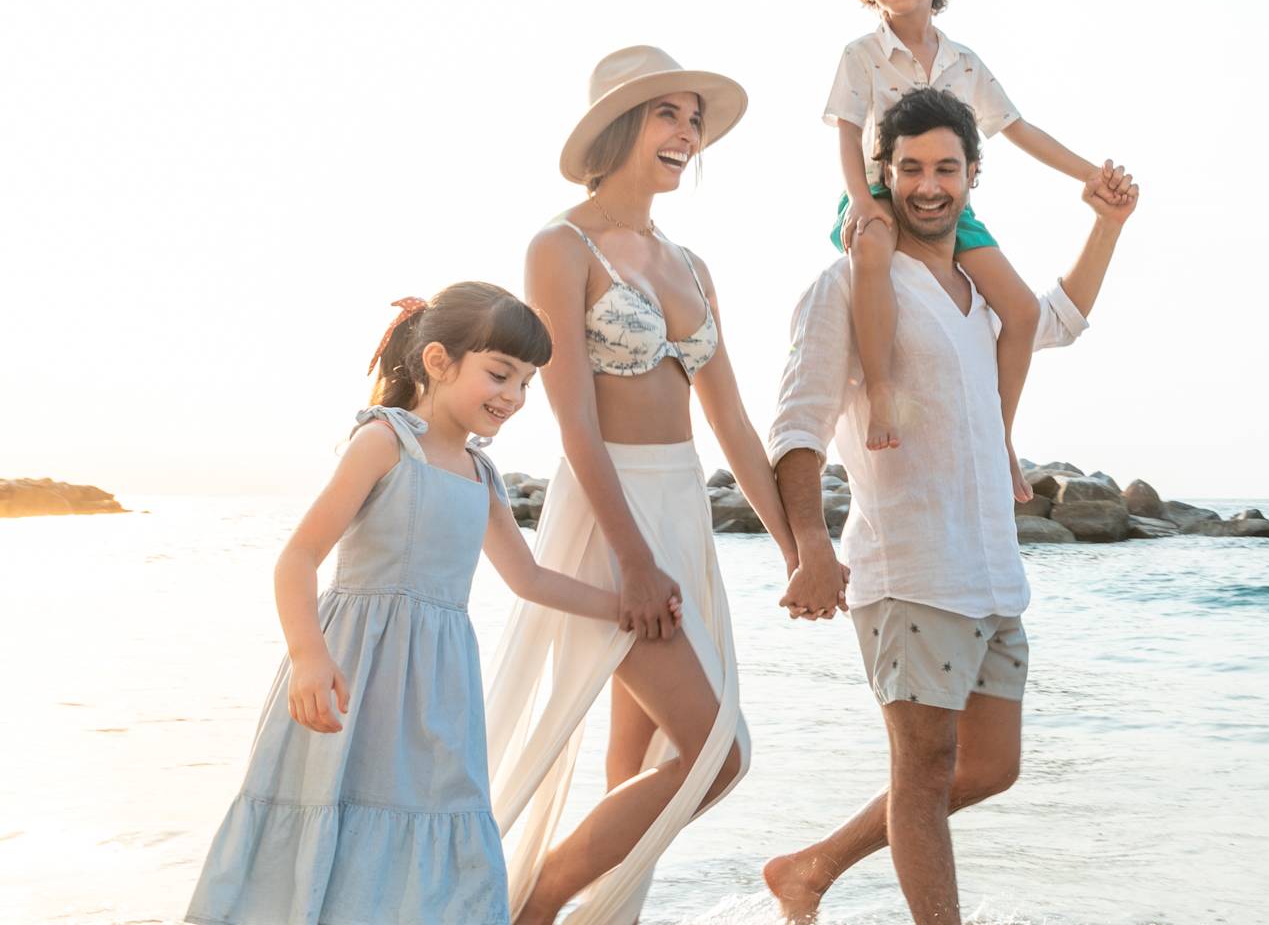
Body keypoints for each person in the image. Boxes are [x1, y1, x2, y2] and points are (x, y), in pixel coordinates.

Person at [765, 87, 1137, 924]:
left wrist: (1107, 224)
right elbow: (796, 425)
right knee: (924, 770)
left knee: (989, 768)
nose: (928, 186)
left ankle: (810, 869)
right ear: (881, 174)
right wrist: (810, 548)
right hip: (908, 566)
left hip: (991, 570)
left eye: (946, 168)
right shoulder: (847, 284)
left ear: (974, 176)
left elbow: (1060, 321)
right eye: (910, 169)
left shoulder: (980, 290)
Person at [484, 46, 809, 925]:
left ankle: (601, 916)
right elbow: (574, 421)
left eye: (694, 119)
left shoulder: (692, 265)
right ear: (623, 126)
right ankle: (534, 906)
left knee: (634, 766)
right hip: (609, 515)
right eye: (668, 114)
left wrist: (794, 550)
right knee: (717, 752)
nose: (686, 133)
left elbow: (733, 422)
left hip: (682, 511)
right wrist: (630, 561)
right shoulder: (561, 245)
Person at [185, 283, 625, 925]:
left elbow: (529, 579)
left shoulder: (481, 473)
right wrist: (309, 657)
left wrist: (624, 605)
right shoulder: (385, 442)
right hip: (352, 672)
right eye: (500, 374)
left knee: (446, 815)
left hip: (439, 687)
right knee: (330, 809)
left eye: (526, 383)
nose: (513, 397)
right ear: (440, 362)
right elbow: (298, 559)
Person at [824, 0, 1129, 503]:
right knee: (871, 249)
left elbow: (1018, 128)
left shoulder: (965, 63)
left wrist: (1090, 173)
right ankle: (882, 387)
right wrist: (862, 201)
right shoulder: (860, 55)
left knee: (1018, 310)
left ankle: (1000, 435)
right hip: (881, 192)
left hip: (949, 209)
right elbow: (844, 131)